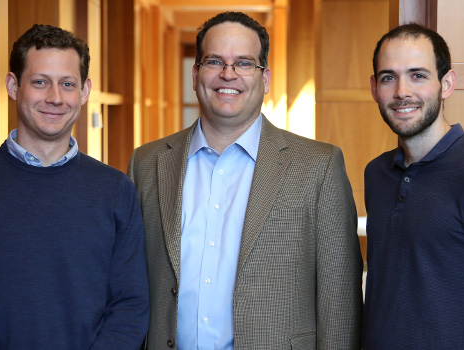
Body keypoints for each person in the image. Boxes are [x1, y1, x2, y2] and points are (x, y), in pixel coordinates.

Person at [128, 11, 362, 350]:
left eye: (244, 63)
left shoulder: (318, 167)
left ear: (265, 79)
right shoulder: (146, 163)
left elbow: (339, 298)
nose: (228, 74)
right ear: (195, 75)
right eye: (214, 61)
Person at [0, 24, 149, 350]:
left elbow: (130, 305)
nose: (55, 98)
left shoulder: (116, 190)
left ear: (85, 91)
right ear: (13, 85)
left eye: (67, 84)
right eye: (40, 82)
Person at [363, 23, 464, 349]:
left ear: (446, 84)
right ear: (375, 88)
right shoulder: (376, 174)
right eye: (389, 77)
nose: (402, 91)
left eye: (418, 75)